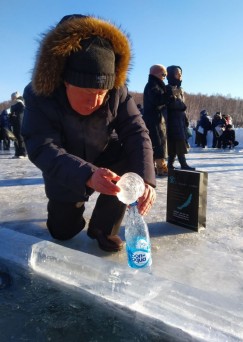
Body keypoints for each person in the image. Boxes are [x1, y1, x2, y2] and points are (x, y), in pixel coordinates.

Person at [22, 14, 156, 253]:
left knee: (128, 162)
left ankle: (103, 229)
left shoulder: (118, 91)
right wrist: (87, 175)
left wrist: (145, 180)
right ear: (65, 82)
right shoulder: (40, 94)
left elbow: (137, 131)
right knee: (63, 232)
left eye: (101, 92)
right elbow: (42, 146)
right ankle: (69, 218)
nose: (94, 100)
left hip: (105, 151)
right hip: (67, 162)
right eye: (85, 91)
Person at [165, 65, 195, 170]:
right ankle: (183, 164)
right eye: (177, 73)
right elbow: (170, 104)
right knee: (178, 141)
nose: (180, 75)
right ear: (171, 75)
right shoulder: (168, 88)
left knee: (176, 142)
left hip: (180, 119)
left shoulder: (180, 89)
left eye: (180, 73)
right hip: (172, 120)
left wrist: (185, 118)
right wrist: (181, 106)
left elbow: (181, 105)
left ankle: (170, 164)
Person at [143, 64, 168, 176]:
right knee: (158, 144)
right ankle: (160, 168)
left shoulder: (153, 84)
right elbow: (157, 100)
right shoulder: (153, 85)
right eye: (163, 74)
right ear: (157, 74)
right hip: (154, 120)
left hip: (154, 119)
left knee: (157, 143)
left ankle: (154, 168)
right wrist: (169, 96)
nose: (164, 77)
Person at [10, 92, 27, 158]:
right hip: (15, 123)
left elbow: (23, 111)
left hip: (20, 122)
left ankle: (23, 153)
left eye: (12, 97)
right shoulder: (13, 104)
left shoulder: (20, 102)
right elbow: (12, 113)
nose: (11, 98)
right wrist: (11, 116)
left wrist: (15, 114)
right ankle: (17, 153)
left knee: (20, 137)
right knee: (15, 138)